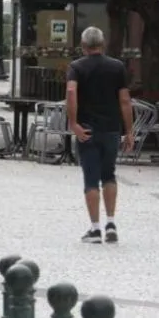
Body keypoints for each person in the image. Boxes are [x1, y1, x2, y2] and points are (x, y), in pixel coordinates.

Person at [66, 26, 133, 244]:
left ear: (83, 46)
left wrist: (74, 123)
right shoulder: (117, 67)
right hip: (112, 129)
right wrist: (129, 131)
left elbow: (71, 92)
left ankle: (95, 229)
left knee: (91, 179)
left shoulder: (76, 67)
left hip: (87, 130)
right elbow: (124, 101)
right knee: (109, 175)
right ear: (102, 45)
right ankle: (111, 223)